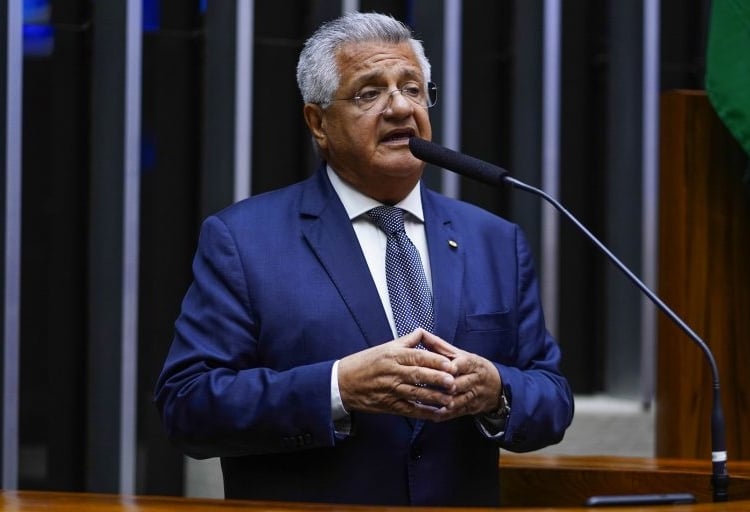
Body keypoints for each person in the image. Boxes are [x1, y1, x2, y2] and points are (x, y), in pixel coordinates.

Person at [154, 11, 573, 507]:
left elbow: (551, 396)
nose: (400, 108)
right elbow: (188, 407)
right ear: (319, 122)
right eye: (369, 93)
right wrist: (338, 388)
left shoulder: (494, 240)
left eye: (413, 89)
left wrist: (497, 391)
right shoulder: (244, 241)